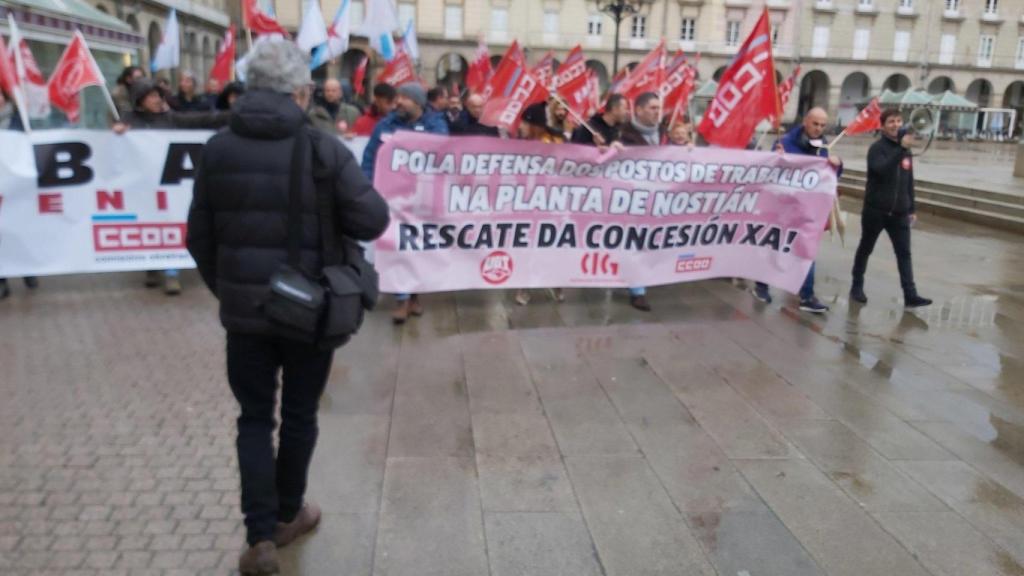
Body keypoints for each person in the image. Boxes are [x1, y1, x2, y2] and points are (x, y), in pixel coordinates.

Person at [186, 40, 389, 576]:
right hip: (310, 309)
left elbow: (197, 237)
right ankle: (286, 513)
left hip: (245, 315)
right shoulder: (324, 148)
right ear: (300, 92)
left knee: (254, 417)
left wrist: (227, 288)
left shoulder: (218, 148)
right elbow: (373, 222)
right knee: (299, 414)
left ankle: (259, 539)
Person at [115, 79, 230, 294]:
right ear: (140, 101)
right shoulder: (129, 121)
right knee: (147, 223)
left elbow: (203, 119)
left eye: (158, 95)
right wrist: (117, 133)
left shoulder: (170, 118)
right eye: (151, 96)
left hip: (168, 187)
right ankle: (151, 266)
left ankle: (171, 273)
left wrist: (232, 115)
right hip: (143, 187)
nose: (157, 100)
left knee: (168, 221)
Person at [361, 82, 449, 324]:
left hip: (422, 199)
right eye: (397, 96)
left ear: (418, 103)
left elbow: (443, 150)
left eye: (404, 98)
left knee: (417, 248)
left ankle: (414, 296)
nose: (397, 101)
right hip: (392, 199)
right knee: (396, 246)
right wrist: (368, 187)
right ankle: (401, 300)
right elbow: (370, 157)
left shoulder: (435, 125)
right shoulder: (385, 125)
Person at [751, 107, 838, 314]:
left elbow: (828, 175)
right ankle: (761, 286)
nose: (818, 129)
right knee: (773, 247)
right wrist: (776, 156)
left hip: (806, 209)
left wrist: (837, 165)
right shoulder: (787, 142)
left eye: (822, 125)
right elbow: (770, 169)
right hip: (781, 208)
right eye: (815, 124)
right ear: (806, 122)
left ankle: (807, 296)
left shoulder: (823, 147)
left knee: (807, 251)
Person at [850, 108, 932, 308]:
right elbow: (880, 170)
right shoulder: (877, 148)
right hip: (876, 210)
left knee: (904, 254)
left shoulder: (906, 151)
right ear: (883, 126)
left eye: (898, 121)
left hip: (899, 213)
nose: (896, 125)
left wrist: (911, 208)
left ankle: (910, 294)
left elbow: (908, 180)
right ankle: (857, 285)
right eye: (891, 122)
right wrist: (900, 150)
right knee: (866, 248)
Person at [616, 92, 664, 311]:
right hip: (632, 200)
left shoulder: (664, 134)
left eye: (658, 108)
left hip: (659, 199)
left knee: (648, 242)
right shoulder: (624, 135)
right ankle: (638, 291)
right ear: (639, 110)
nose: (657, 112)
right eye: (653, 108)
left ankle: (641, 281)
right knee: (634, 243)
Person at [514, 102, 566, 306]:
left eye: (525, 122)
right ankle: (524, 285)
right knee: (528, 245)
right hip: (529, 202)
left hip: (554, 201)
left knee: (555, 243)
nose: (521, 126)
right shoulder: (521, 144)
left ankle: (557, 284)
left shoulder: (558, 140)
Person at [0, 88, 39, 299]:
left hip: (17, 184)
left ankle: (27, 269)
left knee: (20, 228)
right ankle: (2, 279)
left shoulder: (19, 120)